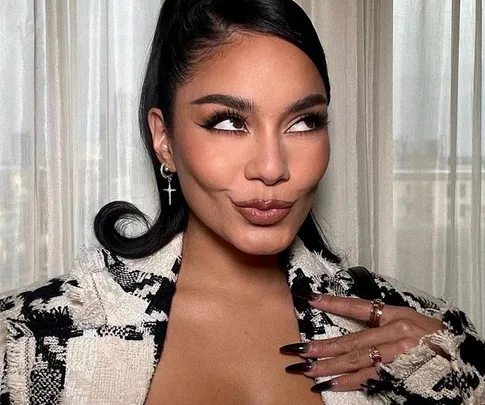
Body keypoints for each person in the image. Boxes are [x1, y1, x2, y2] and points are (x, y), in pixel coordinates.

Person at [1, 0, 484, 404]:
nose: (272, 167)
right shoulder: (29, 344)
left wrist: (459, 382)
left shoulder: (424, 340)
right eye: (229, 122)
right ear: (163, 137)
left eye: (304, 122)